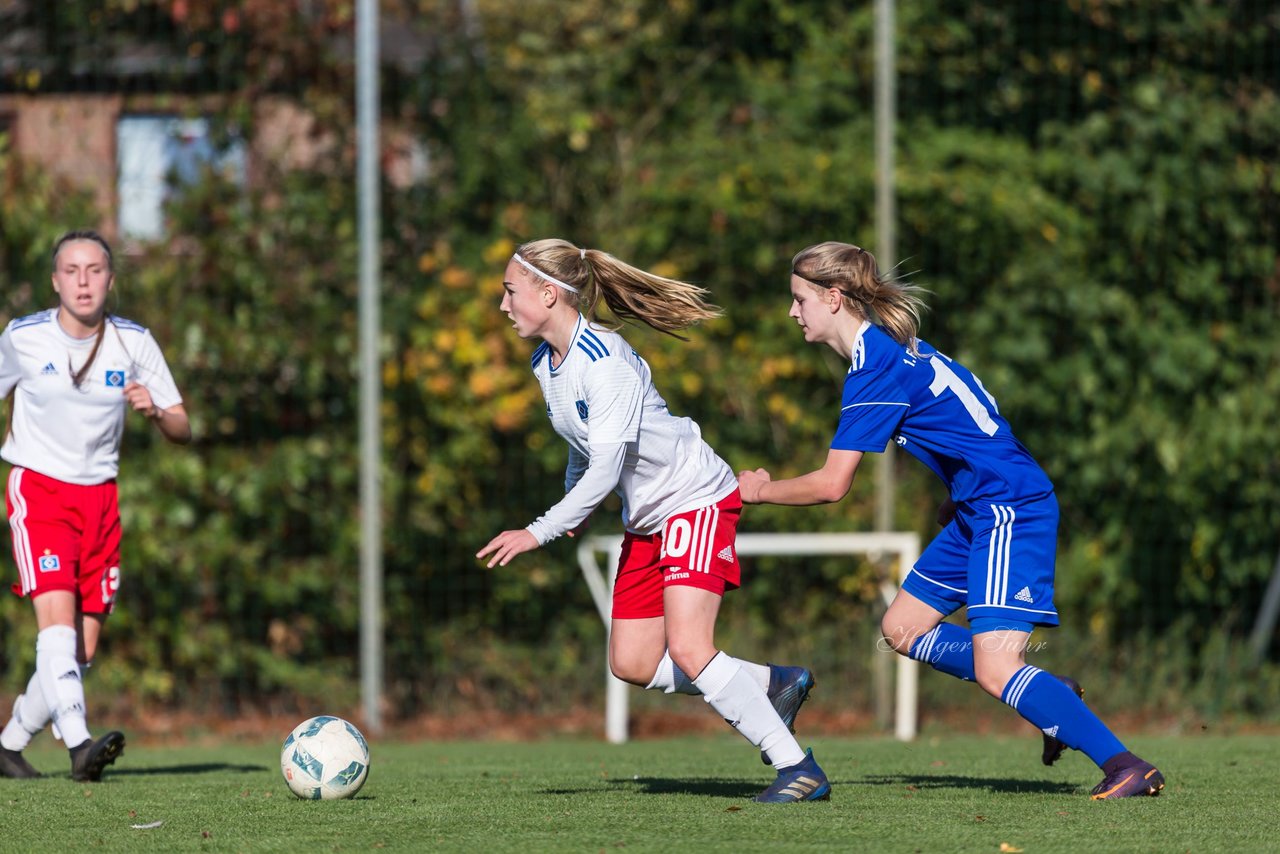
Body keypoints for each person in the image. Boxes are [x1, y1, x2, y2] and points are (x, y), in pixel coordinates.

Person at [737, 241, 1164, 800]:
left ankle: (1129, 766)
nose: (793, 312)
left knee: (995, 670)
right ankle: (1049, 691)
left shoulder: (876, 365)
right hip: (978, 507)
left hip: (1010, 508)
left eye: (799, 300)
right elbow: (973, 422)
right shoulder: (899, 347)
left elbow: (832, 484)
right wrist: (959, 490)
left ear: (834, 298)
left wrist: (760, 490)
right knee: (902, 630)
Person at [477, 239, 830, 803]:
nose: (503, 305)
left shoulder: (605, 362)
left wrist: (538, 529)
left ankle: (798, 768)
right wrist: (574, 500)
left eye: (509, 291)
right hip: (648, 520)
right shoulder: (547, 362)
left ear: (548, 293)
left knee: (691, 648)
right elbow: (583, 449)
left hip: (694, 499)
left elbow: (606, 468)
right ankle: (772, 683)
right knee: (632, 663)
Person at [0, 229, 191, 781]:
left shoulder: (133, 342)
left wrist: (155, 412)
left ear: (111, 278)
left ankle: (8, 744)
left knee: (78, 653)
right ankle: (81, 747)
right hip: (40, 491)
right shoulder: (24, 337)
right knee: (55, 628)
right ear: (55, 281)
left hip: (101, 500)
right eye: (72, 271)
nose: (84, 282)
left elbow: (183, 425)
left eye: (95, 270)